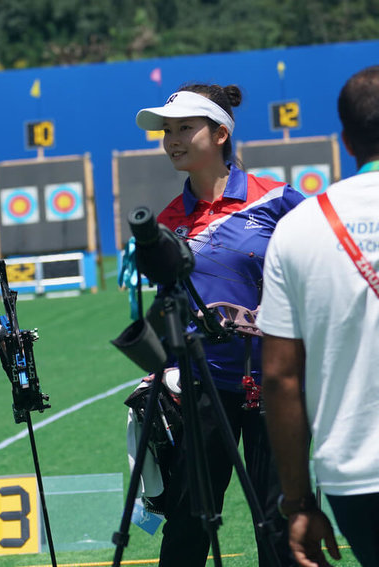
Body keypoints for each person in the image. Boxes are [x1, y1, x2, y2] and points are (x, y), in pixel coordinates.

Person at [134, 83, 305, 566]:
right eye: (168, 131)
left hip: (278, 382)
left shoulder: (275, 199)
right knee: (189, 519)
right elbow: (165, 308)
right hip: (204, 387)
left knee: (279, 517)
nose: (173, 139)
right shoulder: (167, 221)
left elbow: (321, 265)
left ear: (221, 133)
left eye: (185, 127)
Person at [259, 65, 379, 567]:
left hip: (354, 477)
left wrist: (298, 503)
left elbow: (280, 378)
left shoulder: (297, 227)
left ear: (346, 141)